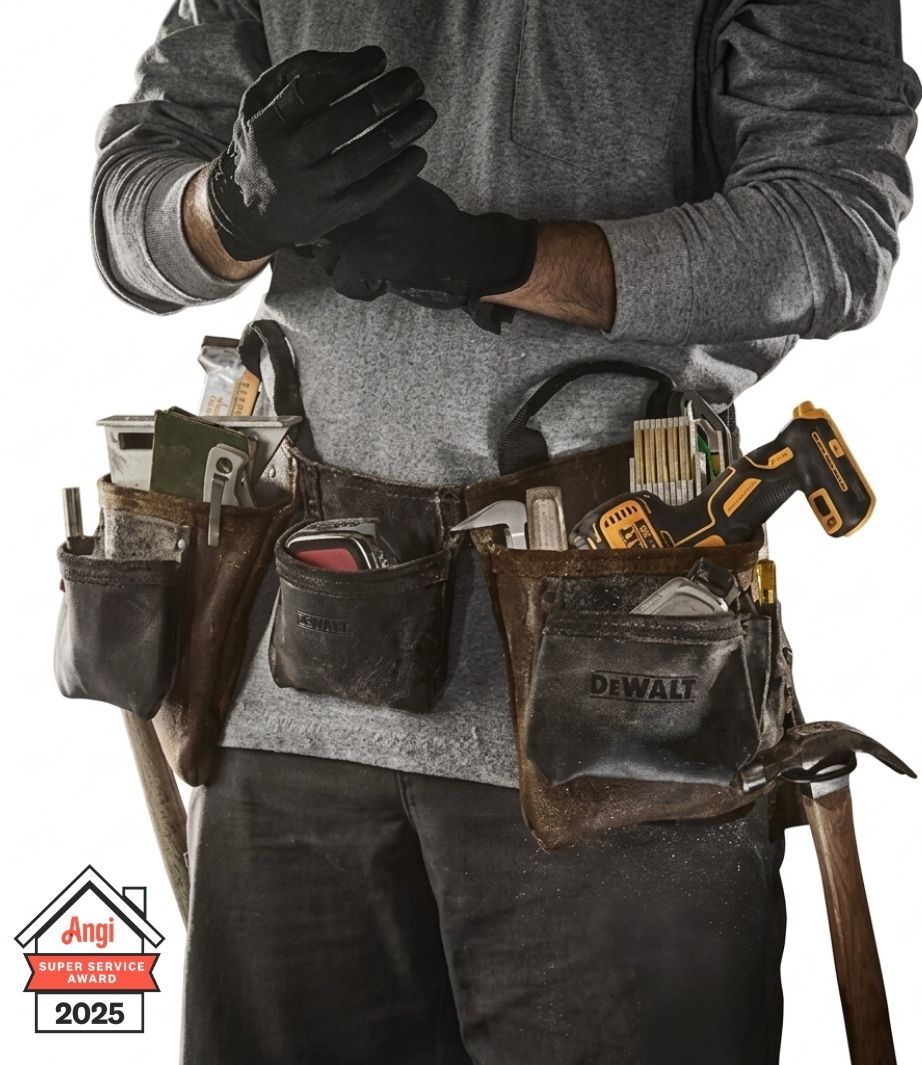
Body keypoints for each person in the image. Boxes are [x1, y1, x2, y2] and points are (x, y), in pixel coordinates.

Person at [92, 2, 920, 1062]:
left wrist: (507, 257)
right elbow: (129, 208)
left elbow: (831, 224)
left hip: (619, 707)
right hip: (286, 694)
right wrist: (227, 207)